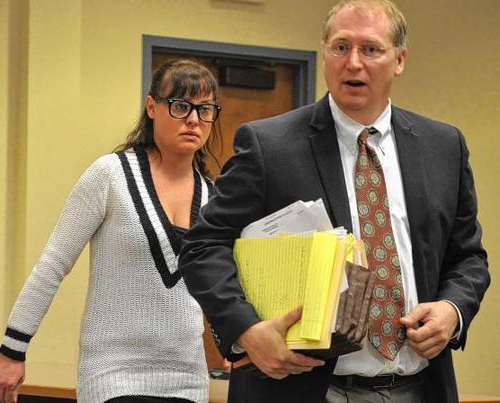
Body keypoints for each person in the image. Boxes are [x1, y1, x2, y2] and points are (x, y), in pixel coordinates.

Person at [178, 1, 490, 402]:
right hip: (304, 389)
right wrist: (247, 330)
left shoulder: (443, 146)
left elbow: (468, 258)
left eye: (370, 49)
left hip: (417, 387)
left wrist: (453, 309)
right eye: (341, 47)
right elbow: (204, 246)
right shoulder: (269, 146)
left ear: (399, 60)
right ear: (325, 53)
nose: (353, 63)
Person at [0, 59, 222, 403]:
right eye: (181, 106)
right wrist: (13, 350)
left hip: (187, 379)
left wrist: (236, 343)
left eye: (205, 109)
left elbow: (220, 284)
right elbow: (53, 265)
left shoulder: (214, 196)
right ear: (152, 107)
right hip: (113, 374)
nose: (194, 119)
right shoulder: (109, 175)